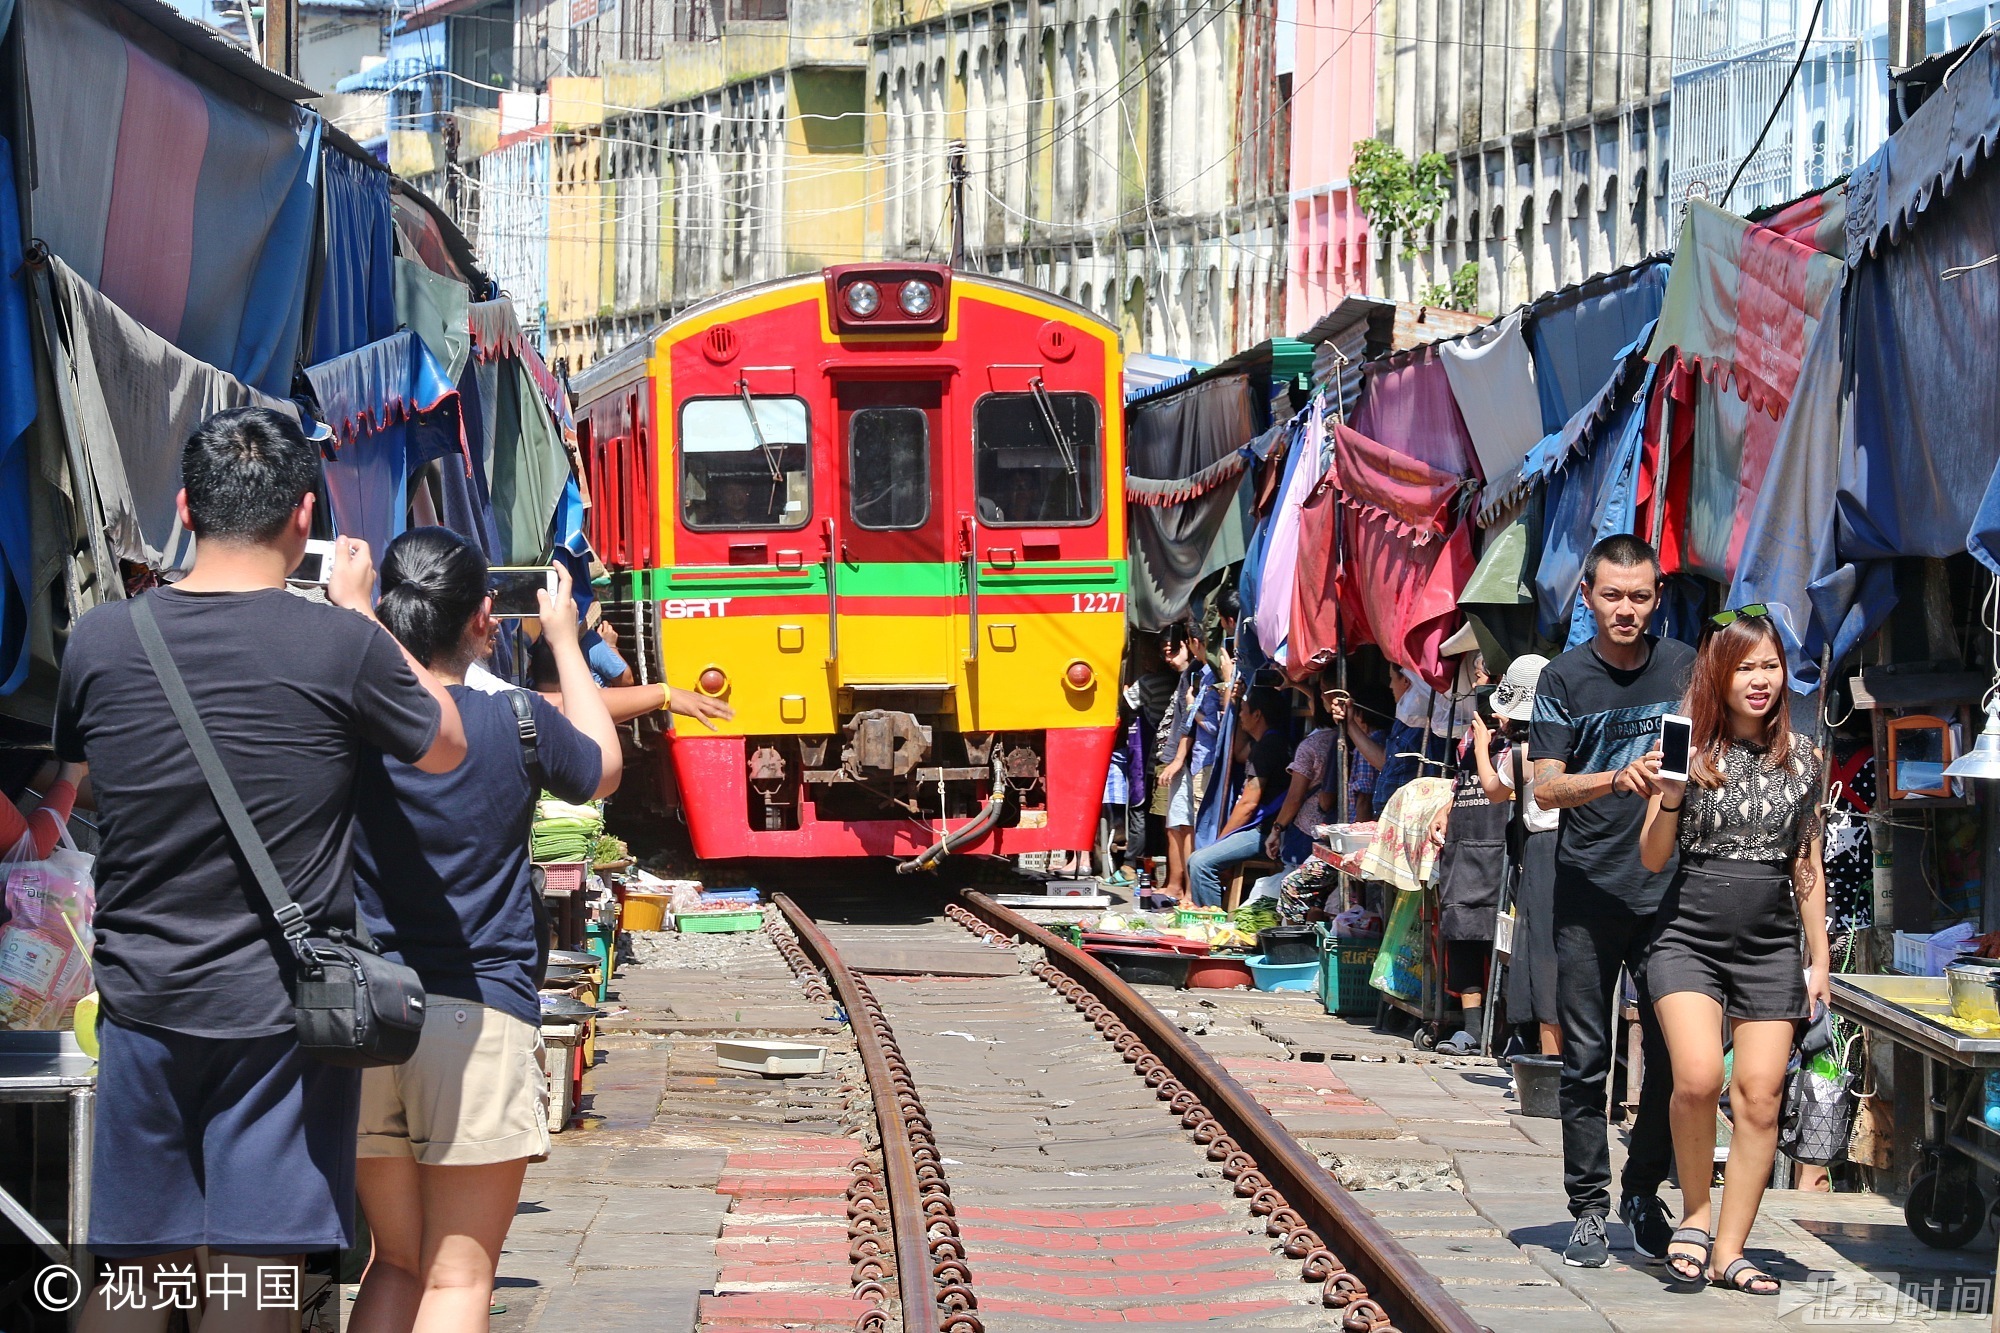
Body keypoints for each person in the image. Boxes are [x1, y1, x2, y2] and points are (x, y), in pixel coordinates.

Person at [54, 407, 467, 1330]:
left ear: (186, 507)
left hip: (140, 1003)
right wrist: (360, 609)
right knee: (251, 1274)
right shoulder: (341, 646)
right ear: (306, 516)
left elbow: (82, 777)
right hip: (281, 1020)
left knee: (132, 1268)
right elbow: (444, 744)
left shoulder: (100, 644)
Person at [349, 529, 622, 1333]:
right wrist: (566, 641)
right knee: (459, 1278)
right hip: (474, 1015)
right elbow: (603, 766)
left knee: (391, 1261)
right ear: (483, 617)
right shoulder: (516, 718)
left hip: (365, 1017)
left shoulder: (352, 720)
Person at [1637, 608, 1828, 1295]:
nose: (1760, 680)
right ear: (1720, 673)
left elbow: (1806, 860)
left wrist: (1820, 955)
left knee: (1761, 1096)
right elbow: (1653, 858)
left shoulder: (1803, 757)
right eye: (1745, 666)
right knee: (1696, 1078)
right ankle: (1693, 1213)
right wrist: (1668, 795)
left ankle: (1731, 1248)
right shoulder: (1687, 749)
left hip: (1771, 942)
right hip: (1687, 932)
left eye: (1770, 666)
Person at [1527, 533, 1692, 1269]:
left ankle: (1642, 1188)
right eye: (1612, 595)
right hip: (1589, 892)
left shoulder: (1685, 666)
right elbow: (1544, 785)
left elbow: (1697, 758)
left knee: (1674, 1059)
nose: (1626, 609)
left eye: (1640, 595)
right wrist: (1613, 777)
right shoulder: (1564, 678)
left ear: (1657, 598)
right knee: (1586, 1061)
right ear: (1587, 597)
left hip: (1671, 894)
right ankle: (1589, 1209)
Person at [1472, 654, 1561, 1058]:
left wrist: (1480, 747)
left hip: (1544, 851)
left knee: (1544, 956)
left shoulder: (1523, 752)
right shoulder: (1567, 740)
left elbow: (1493, 790)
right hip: (1577, 846)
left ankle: (1550, 1062)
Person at [1432, 660, 1504, 1055]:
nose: (1478, 686)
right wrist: (1448, 806)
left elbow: (1504, 784)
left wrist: (1485, 744)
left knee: (1504, 935)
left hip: (1500, 842)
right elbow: (1464, 780)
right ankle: (1471, 1029)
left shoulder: (1517, 736)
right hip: (1466, 837)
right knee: (1461, 928)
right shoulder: (1468, 733)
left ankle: (1508, 1030)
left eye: (1483, 678)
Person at [1186, 688, 1291, 908]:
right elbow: (1239, 753)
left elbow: (1248, 804)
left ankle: (1211, 922)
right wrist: (1233, 703)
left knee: (1201, 862)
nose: (1240, 715)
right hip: (1265, 829)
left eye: (1243, 711)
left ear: (1257, 715)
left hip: (1265, 832)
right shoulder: (1267, 742)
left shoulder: (1268, 748)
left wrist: (1219, 843)